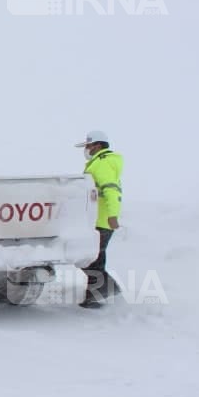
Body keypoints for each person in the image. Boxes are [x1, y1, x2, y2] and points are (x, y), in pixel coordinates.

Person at [75, 130, 124, 308]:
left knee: (89, 258)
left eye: (88, 145)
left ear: (97, 145)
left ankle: (101, 291)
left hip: (102, 221)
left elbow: (111, 190)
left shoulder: (102, 164)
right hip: (96, 220)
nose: (86, 149)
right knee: (94, 258)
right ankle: (100, 292)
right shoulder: (99, 163)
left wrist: (113, 215)